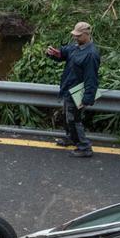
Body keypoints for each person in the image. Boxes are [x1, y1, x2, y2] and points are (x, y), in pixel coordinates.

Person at [45, 21, 100, 158]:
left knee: (74, 119)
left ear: (87, 35)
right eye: (75, 35)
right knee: (67, 117)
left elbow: (91, 78)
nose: (75, 38)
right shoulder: (76, 47)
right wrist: (54, 54)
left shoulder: (91, 54)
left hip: (77, 92)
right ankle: (70, 138)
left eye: (79, 36)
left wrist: (88, 98)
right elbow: (63, 54)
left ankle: (84, 147)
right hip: (68, 89)